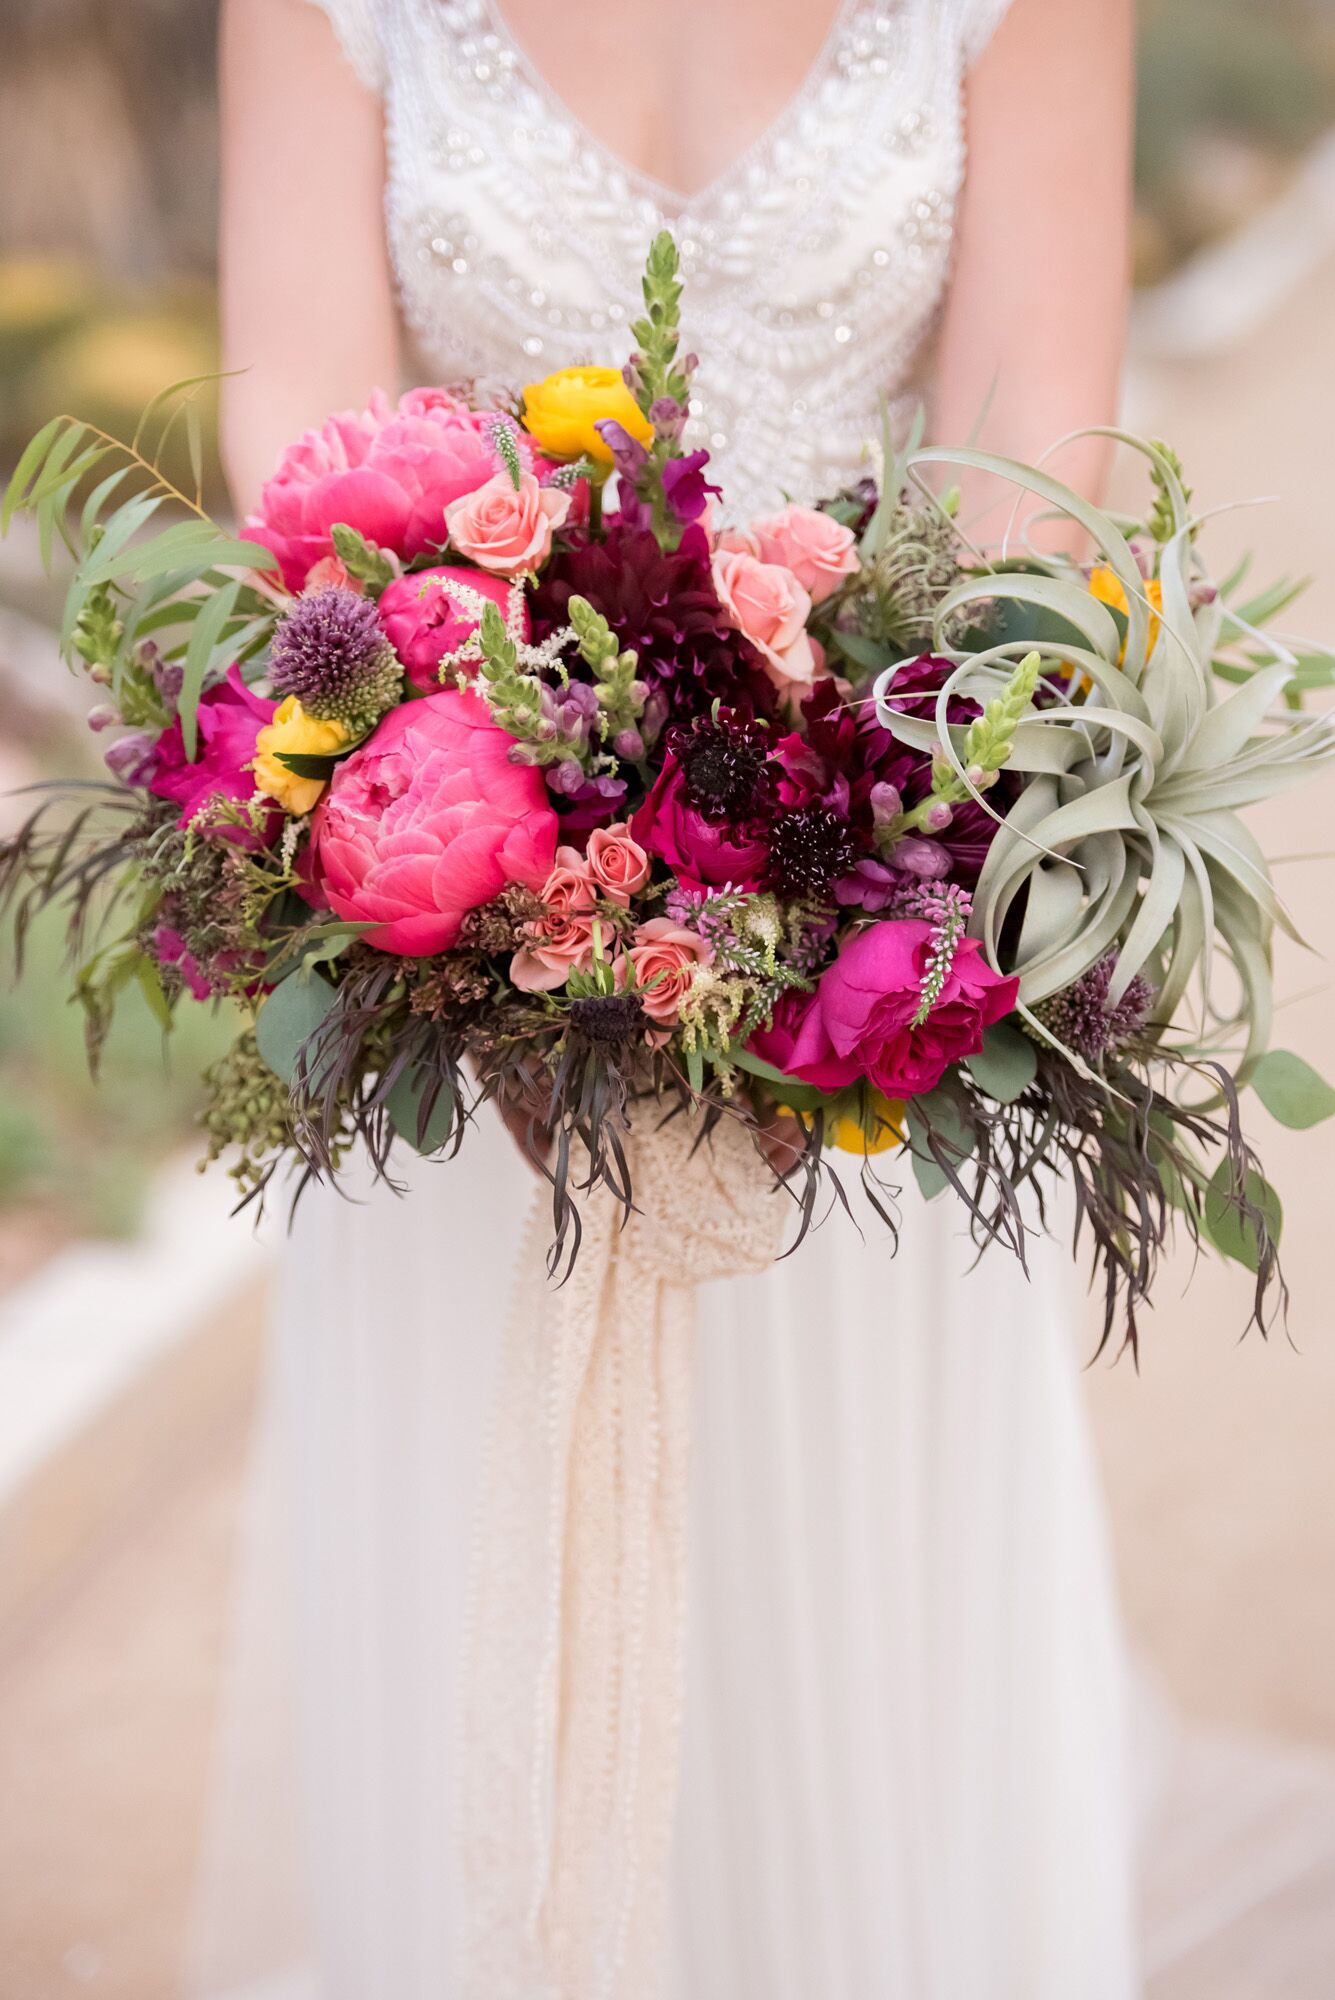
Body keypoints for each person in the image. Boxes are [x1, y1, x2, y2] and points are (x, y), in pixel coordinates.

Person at [203, 2, 1139, 1995]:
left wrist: (860, 829)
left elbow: (1032, 422)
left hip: (855, 964)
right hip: (480, 983)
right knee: (489, 1617)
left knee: (856, 1633)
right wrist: (502, 852)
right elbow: (291, 408)